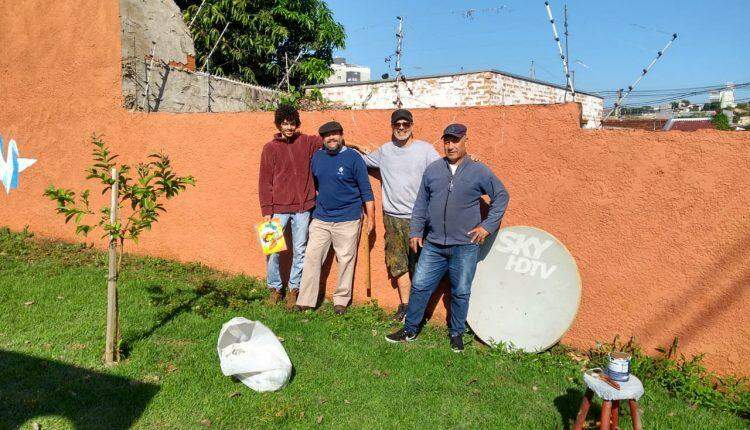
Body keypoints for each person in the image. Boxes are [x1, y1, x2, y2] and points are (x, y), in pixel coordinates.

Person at [385, 123, 509, 352]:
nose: (450, 146)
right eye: (447, 141)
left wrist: (486, 227)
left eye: (455, 141)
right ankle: (410, 328)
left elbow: (501, 196)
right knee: (420, 286)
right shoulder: (433, 169)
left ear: (465, 142)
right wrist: (415, 231)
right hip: (433, 244)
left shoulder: (479, 171)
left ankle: (457, 333)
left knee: (461, 290)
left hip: (465, 245)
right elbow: (421, 203)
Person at [350, 109, 440, 321]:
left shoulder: (425, 150)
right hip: (391, 217)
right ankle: (406, 305)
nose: (401, 128)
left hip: (419, 217)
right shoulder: (385, 151)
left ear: (411, 126)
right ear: (392, 127)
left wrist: (467, 161)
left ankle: (419, 308)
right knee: (397, 262)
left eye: (405, 124)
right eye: (397, 124)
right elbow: (361, 160)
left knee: (420, 263)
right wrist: (350, 146)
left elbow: (443, 169)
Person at [296, 121, 375, 314]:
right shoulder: (317, 157)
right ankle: (306, 300)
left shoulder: (353, 158)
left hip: (348, 219)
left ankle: (341, 300)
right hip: (321, 219)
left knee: (346, 260)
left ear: (341, 135)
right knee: (312, 257)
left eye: (335, 134)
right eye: (327, 135)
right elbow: (313, 184)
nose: (331, 138)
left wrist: (371, 217)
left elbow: (366, 189)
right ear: (322, 139)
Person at [258, 104, 322, 309]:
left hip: (303, 209)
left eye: (292, 123)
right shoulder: (269, 148)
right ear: (279, 124)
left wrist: (353, 145)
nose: (289, 127)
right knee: (272, 250)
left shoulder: (306, 142)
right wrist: (267, 211)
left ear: (297, 124)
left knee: (300, 250)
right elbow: (264, 181)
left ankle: (294, 289)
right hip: (277, 209)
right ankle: (275, 289)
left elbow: (329, 139)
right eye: (285, 123)